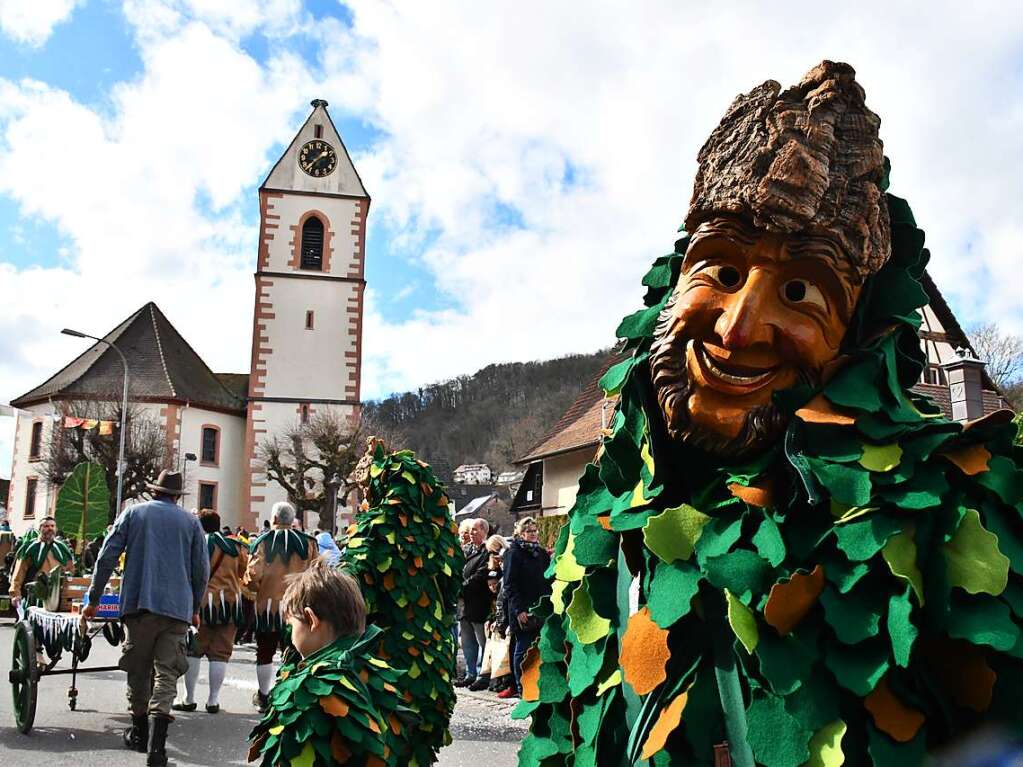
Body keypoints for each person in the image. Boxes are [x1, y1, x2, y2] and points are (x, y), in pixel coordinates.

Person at [85, 470, 209, 767]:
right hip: (177, 609)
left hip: (139, 604)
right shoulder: (191, 522)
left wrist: (94, 597)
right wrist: (194, 606)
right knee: (166, 673)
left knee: (138, 669)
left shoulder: (134, 514)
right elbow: (201, 570)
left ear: (154, 491)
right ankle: (157, 748)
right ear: (176, 496)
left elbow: (107, 556)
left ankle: (139, 733)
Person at [247, 558, 414, 766]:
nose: (290, 635)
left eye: (292, 625)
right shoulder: (377, 671)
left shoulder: (311, 687)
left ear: (311, 620)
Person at [243, 500, 318, 712]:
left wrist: (252, 588)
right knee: (294, 651)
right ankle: (291, 696)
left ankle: (264, 696)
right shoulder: (309, 542)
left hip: (268, 607)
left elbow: (253, 575)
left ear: (274, 518)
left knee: (265, 652)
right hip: (299, 607)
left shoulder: (263, 541)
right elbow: (318, 573)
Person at [173, 509, 248, 714]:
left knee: (194, 650)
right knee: (221, 653)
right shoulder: (236, 546)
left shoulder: (196, 543)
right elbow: (244, 572)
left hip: (200, 603)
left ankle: (189, 698)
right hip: (230, 604)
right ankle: (213, 700)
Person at [500, 516, 549, 699]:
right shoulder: (514, 553)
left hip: (540, 607)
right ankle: (522, 687)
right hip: (523, 609)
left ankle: (538, 685)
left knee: (540, 648)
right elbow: (510, 585)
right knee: (522, 649)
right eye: (529, 531)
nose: (533, 534)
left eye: (535, 531)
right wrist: (518, 610)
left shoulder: (541, 553)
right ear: (520, 534)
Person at [9, 516, 75, 610]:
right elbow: (19, 572)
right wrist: (15, 593)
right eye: (46, 526)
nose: (50, 528)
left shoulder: (62, 547)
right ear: (40, 528)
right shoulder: (30, 548)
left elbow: (70, 569)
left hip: (57, 594)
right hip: (36, 594)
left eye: (52, 526)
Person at [456, 517, 491, 687]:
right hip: (465, 605)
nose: (471, 533)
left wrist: (460, 588)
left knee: (481, 640)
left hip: (478, 603)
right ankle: (470, 673)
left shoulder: (487, 552)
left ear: (485, 531)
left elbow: (480, 576)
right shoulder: (469, 550)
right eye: (471, 530)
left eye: (475, 530)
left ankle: (481, 674)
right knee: (467, 641)